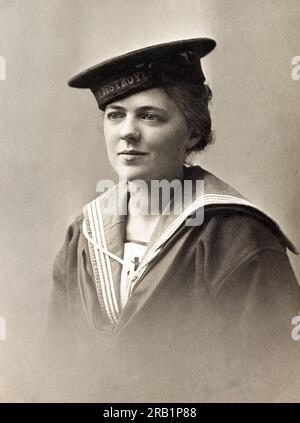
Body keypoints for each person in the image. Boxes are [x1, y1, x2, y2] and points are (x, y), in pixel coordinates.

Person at [45, 38, 300, 402]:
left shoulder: (236, 236)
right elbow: (54, 371)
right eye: (115, 114)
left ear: (193, 133)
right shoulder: (83, 235)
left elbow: (279, 380)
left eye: (150, 116)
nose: (127, 132)